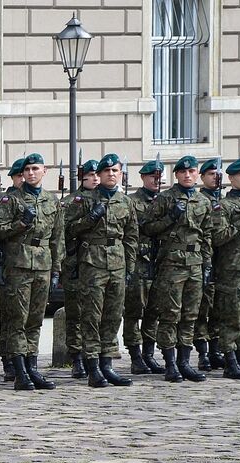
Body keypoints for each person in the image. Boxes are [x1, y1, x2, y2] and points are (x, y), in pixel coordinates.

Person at [64, 154, 138, 388]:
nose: (111, 174)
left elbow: (132, 237)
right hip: (92, 263)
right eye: (106, 171)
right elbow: (68, 230)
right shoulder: (84, 200)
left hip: (117, 263)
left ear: (120, 173)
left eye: (115, 171)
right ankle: (93, 367)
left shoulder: (125, 202)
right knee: (91, 316)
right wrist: (90, 218)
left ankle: (108, 365)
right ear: (99, 175)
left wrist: (130, 266)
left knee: (113, 315)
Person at [0, 153, 63, 391]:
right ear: (22, 174)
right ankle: (19, 369)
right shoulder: (11, 200)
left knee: (35, 320)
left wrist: (56, 269)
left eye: (36, 169)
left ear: (45, 171)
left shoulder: (51, 201)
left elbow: (57, 238)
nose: (31, 173)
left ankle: (33, 366)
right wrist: (20, 224)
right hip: (19, 265)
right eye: (27, 169)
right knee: (18, 320)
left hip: (43, 264)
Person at [142, 155, 214, 382]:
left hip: (195, 262)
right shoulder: (165, 199)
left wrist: (207, 263)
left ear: (196, 173)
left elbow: (207, 234)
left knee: (190, 315)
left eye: (192, 171)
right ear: (176, 174)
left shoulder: (203, 201)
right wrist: (170, 218)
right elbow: (148, 227)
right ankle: (170, 362)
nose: (188, 175)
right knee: (170, 314)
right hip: (171, 262)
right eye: (183, 172)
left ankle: (185, 362)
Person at [209, 157, 240, 379]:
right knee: (232, 317)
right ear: (231, 178)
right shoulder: (223, 206)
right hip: (233, 268)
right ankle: (229, 361)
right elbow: (217, 238)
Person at [122, 159, 165, 375]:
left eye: (159, 177)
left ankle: (149, 353)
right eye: (152, 177)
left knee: (154, 312)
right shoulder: (132, 201)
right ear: (143, 178)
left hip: (159, 262)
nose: (156, 181)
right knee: (134, 311)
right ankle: (135, 355)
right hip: (139, 262)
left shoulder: (165, 201)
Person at [62, 159, 99, 379]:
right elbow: (65, 231)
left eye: (97, 175)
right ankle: (76, 357)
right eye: (90, 175)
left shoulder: (104, 198)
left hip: (97, 264)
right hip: (76, 262)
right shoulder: (71, 202)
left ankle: (93, 355)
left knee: (94, 313)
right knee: (75, 313)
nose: (94, 179)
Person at [0, 156, 26, 381]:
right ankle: (8, 359)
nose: (24, 179)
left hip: (30, 264)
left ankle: (23, 360)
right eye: (19, 176)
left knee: (25, 318)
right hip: (9, 265)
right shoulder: (6, 201)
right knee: (10, 316)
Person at [193, 159, 223, 370]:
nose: (215, 177)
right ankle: (203, 352)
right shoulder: (199, 200)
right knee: (203, 308)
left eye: (217, 174)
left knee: (219, 309)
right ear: (202, 177)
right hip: (204, 259)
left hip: (225, 262)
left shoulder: (225, 200)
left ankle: (216, 349)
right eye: (211, 174)